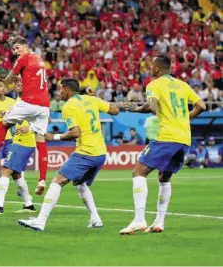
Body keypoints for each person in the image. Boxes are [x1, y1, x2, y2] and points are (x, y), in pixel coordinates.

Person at [119, 55, 206, 234]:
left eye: (151, 66)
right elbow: (202, 106)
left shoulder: (155, 84)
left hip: (167, 136)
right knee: (164, 178)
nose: (150, 69)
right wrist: (183, 118)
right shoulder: (183, 84)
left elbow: (151, 105)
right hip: (184, 138)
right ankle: (159, 222)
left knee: (138, 172)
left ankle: (139, 219)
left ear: (157, 69)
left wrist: (135, 108)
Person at [18, 78, 119, 231]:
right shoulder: (91, 99)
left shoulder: (69, 106)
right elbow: (115, 110)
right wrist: (97, 97)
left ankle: (40, 221)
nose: (59, 93)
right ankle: (96, 219)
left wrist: (55, 137)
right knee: (80, 184)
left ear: (66, 90)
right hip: (100, 153)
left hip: (86, 152)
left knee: (57, 181)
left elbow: (75, 133)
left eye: (60, 89)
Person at [0, 36, 50, 196]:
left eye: (17, 48)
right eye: (14, 50)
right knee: (41, 141)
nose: (16, 52)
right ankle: (42, 179)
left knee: (3, 124)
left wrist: (10, 77)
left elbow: (8, 81)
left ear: (25, 45)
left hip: (29, 101)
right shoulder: (39, 58)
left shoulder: (24, 58)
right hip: (44, 105)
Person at [0, 79, 36, 215]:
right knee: (16, 174)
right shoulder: (18, 101)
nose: (18, 85)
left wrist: (30, 127)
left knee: (5, 172)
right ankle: (28, 204)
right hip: (19, 140)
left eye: (21, 83)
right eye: (17, 83)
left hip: (24, 142)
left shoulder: (31, 100)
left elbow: (46, 119)